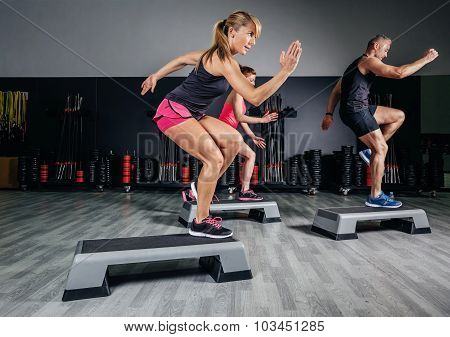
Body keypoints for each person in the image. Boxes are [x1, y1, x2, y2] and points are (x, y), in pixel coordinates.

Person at [141, 11, 302, 238]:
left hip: (195, 113)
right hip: (174, 111)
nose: (253, 42)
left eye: (256, 37)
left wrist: (157, 75)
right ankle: (200, 221)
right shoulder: (225, 60)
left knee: (235, 141)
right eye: (250, 35)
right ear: (232, 32)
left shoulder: (214, 55)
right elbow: (254, 97)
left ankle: (199, 187)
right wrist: (285, 72)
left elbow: (181, 59)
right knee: (214, 158)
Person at [321, 34, 438, 208]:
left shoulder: (354, 65)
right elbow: (399, 73)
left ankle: (370, 152)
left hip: (358, 108)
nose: (386, 54)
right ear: (375, 46)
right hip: (356, 111)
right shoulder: (368, 61)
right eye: (385, 49)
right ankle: (375, 196)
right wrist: (426, 59)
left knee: (398, 115)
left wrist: (329, 114)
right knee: (382, 148)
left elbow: (337, 91)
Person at [219, 65, 278, 201]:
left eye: (254, 80)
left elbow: (240, 119)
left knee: (249, 155)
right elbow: (240, 117)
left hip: (229, 133)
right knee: (223, 162)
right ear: (241, 79)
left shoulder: (240, 94)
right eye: (250, 80)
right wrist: (262, 120)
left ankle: (245, 190)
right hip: (224, 132)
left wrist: (251, 135)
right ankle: (198, 191)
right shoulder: (237, 92)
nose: (253, 83)